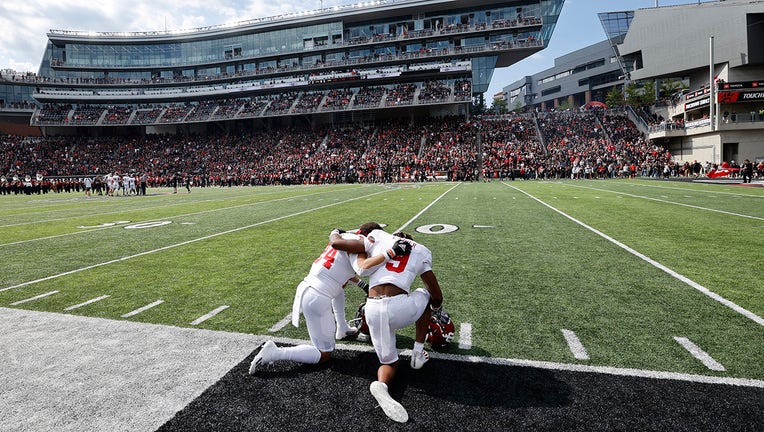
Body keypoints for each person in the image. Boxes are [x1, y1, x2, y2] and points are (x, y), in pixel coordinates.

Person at [330, 222, 444, 423]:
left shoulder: (378, 238)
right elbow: (437, 295)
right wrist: (434, 310)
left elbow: (342, 241)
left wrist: (336, 233)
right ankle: (417, 353)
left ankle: (381, 384)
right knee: (425, 294)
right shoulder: (421, 250)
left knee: (389, 362)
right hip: (399, 309)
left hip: (372, 309)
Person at [248, 230, 391, 374]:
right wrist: (388, 254)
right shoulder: (359, 244)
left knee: (339, 288)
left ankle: (342, 328)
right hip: (316, 298)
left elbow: (341, 271)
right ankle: (276, 352)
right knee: (324, 354)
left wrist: (362, 285)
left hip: (311, 288)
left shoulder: (346, 238)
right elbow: (362, 268)